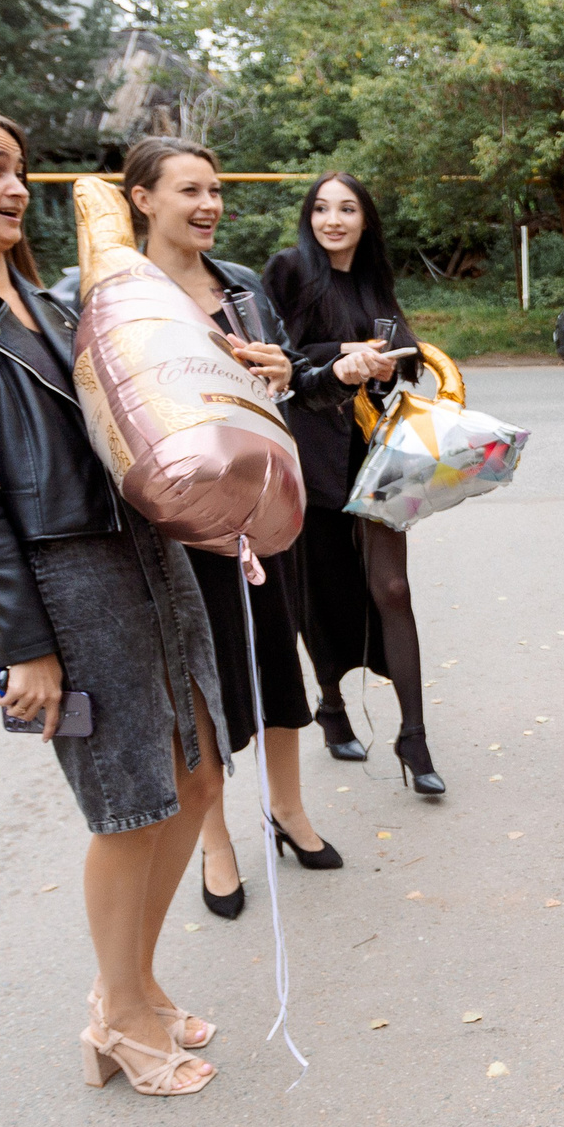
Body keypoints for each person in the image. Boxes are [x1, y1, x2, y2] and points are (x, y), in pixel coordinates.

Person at [0, 96, 227, 1097]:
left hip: (149, 555)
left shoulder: (54, 301)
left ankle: (136, 990)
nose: (15, 186)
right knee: (128, 807)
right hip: (65, 576)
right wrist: (25, 640)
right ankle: (119, 1015)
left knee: (198, 775)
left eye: (18, 167)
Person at [118, 135, 353, 916]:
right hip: (177, 529)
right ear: (143, 199)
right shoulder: (121, 293)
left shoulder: (244, 284)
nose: (209, 204)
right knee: (205, 685)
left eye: (214, 189)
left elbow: (283, 377)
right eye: (189, 190)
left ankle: (286, 810)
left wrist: (286, 371)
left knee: (277, 663)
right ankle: (215, 839)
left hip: (258, 510)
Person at [261, 174, 444, 795]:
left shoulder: (374, 279)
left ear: (366, 220)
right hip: (310, 452)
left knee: (392, 586)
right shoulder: (289, 270)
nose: (332, 219)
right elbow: (278, 354)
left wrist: (398, 355)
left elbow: (407, 352)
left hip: (377, 451)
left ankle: (413, 736)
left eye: (347, 209)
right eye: (321, 208)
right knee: (324, 586)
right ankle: (332, 705)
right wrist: (350, 349)